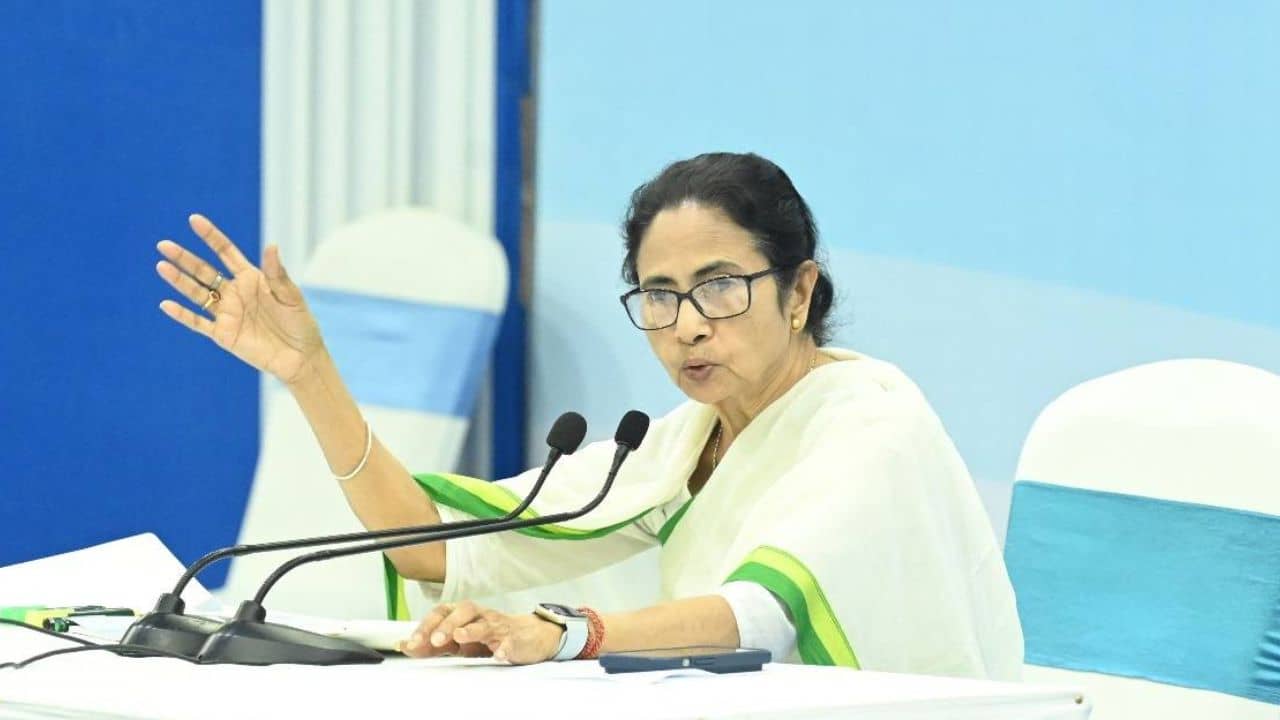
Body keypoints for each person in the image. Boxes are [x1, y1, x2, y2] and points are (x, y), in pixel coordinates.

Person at [155, 152, 1022, 677]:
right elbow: (431, 547)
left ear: (799, 292)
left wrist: (567, 634)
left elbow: (762, 614)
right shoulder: (682, 447)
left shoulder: (871, 424)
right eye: (659, 294)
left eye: (720, 286)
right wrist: (311, 376)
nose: (688, 325)